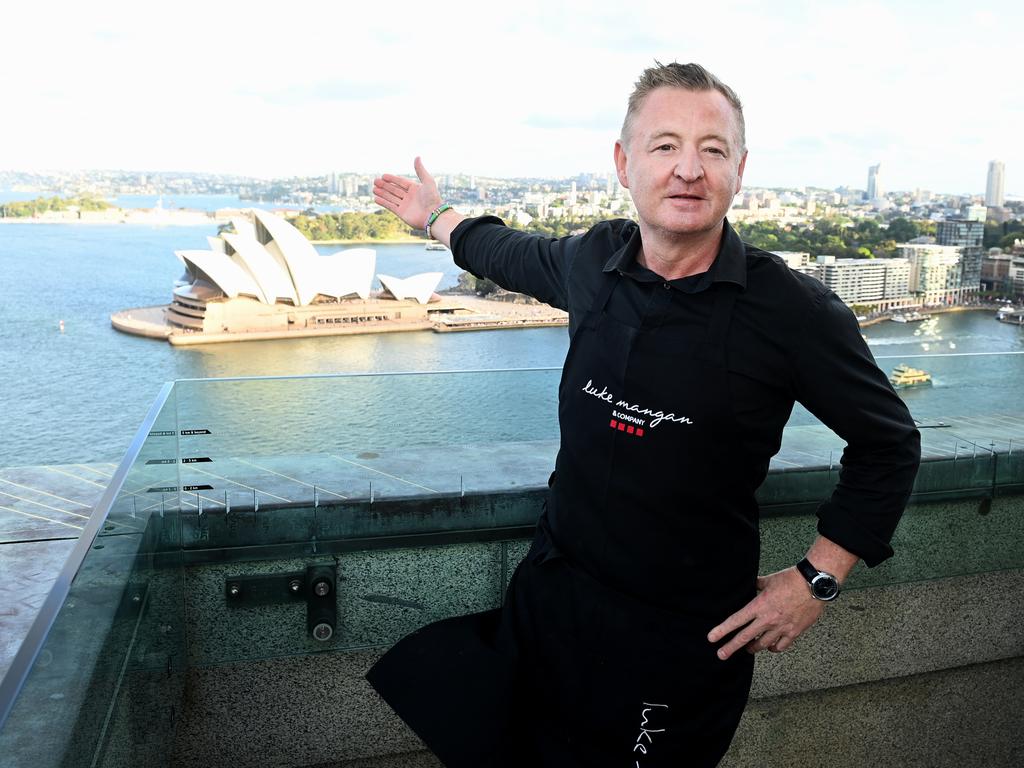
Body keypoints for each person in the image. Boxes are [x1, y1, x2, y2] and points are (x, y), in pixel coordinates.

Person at [366, 62, 921, 767]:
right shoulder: (593, 260)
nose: (688, 168)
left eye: (712, 149)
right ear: (624, 164)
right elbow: (502, 251)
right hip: (551, 605)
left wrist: (817, 578)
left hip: (680, 641)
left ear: (739, 170)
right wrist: (435, 217)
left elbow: (890, 444)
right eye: (664, 146)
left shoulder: (790, 311)